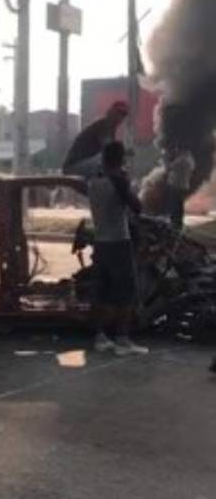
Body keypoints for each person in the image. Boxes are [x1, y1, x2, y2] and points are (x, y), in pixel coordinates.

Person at [87, 141, 148, 356]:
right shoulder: (118, 181)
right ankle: (123, 340)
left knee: (102, 292)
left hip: (100, 241)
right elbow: (137, 207)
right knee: (127, 291)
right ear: (121, 159)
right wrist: (128, 182)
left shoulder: (94, 181)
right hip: (119, 242)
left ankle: (100, 337)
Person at [63, 101, 129, 179]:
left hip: (84, 164)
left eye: (123, 115)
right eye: (118, 112)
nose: (120, 117)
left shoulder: (111, 130)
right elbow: (108, 151)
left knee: (111, 163)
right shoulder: (102, 125)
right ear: (110, 112)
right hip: (73, 167)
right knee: (105, 159)